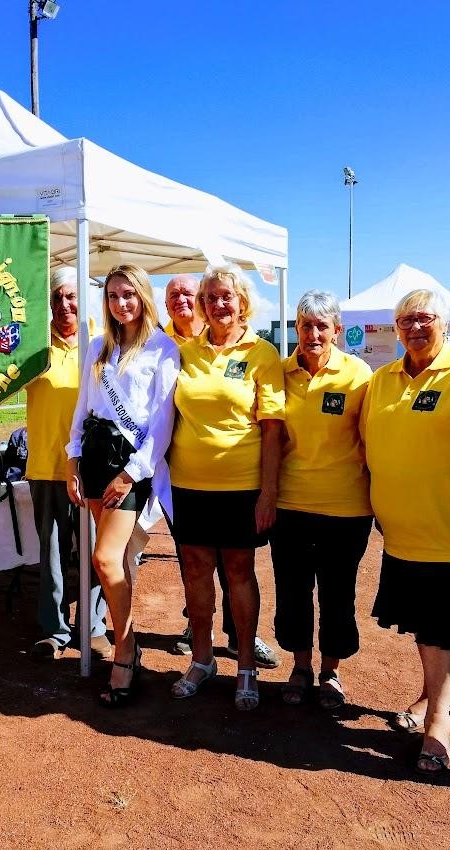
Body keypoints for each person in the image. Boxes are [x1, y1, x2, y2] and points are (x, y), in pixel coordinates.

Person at [361, 288, 450, 772]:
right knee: (425, 622)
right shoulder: (382, 380)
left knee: (445, 625)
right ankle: (428, 697)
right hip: (400, 532)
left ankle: (440, 718)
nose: (415, 329)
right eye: (406, 322)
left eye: (425, 320)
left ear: (444, 323)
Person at [169, 265, 284, 711]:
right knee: (195, 570)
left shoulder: (263, 352)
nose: (219, 304)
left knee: (239, 572)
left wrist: (268, 493)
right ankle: (201, 660)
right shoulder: (184, 351)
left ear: (242, 302)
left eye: (227, 297)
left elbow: (273, 430)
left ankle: (245, 667)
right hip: (188, 483)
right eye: (211, 297)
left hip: (241, 486)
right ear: (202, 303)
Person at [66, 264, 179, 708]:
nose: (121, 303)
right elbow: (83, 406)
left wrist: (131, 472)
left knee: (105, 558)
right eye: (113, 295)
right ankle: (127, 645)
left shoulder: (162, 349)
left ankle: (125, 649)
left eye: (129, 294)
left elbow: (162, 422)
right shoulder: (97, 346)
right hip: (93, 458)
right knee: (114, 561)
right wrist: (72, 456)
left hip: (128, 465)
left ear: (143, 296)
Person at [270, 290, 374, 709]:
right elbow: (272, 439)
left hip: (346, 508)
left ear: (335, 330)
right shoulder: (279, 373)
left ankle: (330, 671)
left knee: (337, 592)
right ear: (297, 327)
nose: (313, 334)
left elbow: (370, 440)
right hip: (290, 504)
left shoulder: (359, 375)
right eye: (305, 325)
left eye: (322, 326)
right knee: (292, 590)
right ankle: (300, 667)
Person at [26, 267, 110, 662]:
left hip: (91, 469)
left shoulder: (100, 344)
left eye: (72, 296)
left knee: (95, 551)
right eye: (57, 297)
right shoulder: (33, 346)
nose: (64, 305)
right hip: (47, 466)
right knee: (53, 554)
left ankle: (93, 628)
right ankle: (55, 630)